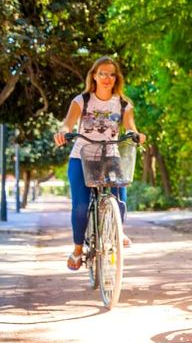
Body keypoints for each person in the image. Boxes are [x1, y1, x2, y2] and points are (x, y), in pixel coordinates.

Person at [54, 56, 146, 271]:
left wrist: (136, 135)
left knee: (119, 197)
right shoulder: (82, 100)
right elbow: (68, 124)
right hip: (82, 157)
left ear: (116, 79)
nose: (107, 78)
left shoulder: (123, 104)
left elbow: (130, 127)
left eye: (111, 74)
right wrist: (62, 133)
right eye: (102, 73)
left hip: (109, 156)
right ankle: (78, 249)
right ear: (94, 76)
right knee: (81, 206)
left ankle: (118, 230)